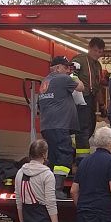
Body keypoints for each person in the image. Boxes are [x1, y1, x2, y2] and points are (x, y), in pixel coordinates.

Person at [38, 55, 84, 199]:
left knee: (53, 157)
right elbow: (81, 87)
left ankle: (50, 188)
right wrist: (74, 75)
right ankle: (57, 189)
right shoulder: (63, 78)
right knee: (64, 156)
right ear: (57, 68)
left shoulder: (45, 81)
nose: (67, 70)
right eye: (65, 67)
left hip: (47, 126)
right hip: (60, 125)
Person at [71, 36, 106, 162]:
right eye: (96, 51)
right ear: (89, 48)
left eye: (100, 52)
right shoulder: (79, 60)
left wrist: (102, 105)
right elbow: (71, 76)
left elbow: (98, 86)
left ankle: (81, 156)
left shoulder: (98, 66)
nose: (98, 54)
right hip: (80, 99)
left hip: (91, 100)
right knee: (83, 130)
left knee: (90, 128)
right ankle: (81, 160)